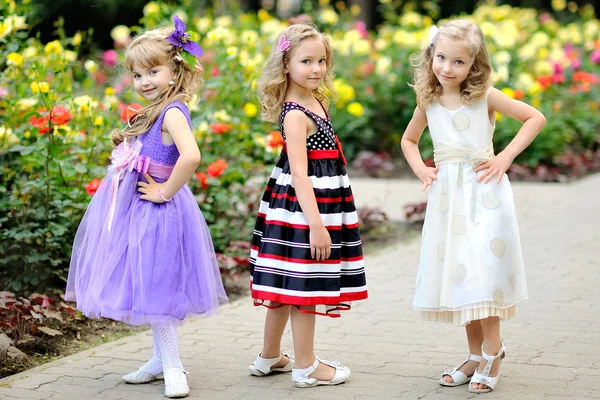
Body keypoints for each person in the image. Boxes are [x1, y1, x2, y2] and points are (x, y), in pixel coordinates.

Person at [65, 16, 228, 398]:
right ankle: (158, 360)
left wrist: (164, 192)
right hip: (138, 209)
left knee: (158, 286)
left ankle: (173, 365)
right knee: (148, 283)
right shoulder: (152, 110)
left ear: (174, 71)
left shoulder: (172, 111)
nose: (145, 82)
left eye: (153, 71)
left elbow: (190, 157)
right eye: (138, 76)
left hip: (159, 209)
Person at [400, 20, 545, 393]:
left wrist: (506, 157)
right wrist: (421, 169)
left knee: (484, 275)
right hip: (449, 198)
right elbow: (409, 141)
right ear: (431, 55)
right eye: (441, 58)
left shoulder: (484, 96)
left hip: (485, 194)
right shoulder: (428, 100)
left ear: (474, 64)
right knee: (460, 275)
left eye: (458, 62)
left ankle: (493, 353)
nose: (447, 68)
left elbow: (535, 117)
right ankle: (475, 354)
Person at [248, 23, 368, 388]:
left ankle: (270, 356)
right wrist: (317, 225)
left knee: (286, 282)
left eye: (321, 61)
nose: (316, 69)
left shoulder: (319, 100)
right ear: (286, 64)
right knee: (305, 284)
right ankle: (305, 365)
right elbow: (300, 175)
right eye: (306, 61)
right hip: (304, 208)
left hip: (319, 202)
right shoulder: (296, 113)